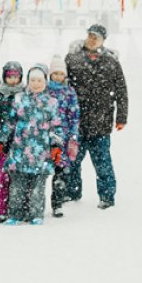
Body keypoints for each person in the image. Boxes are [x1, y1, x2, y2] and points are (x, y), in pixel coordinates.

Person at [64, 24, 128, 209]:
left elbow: (121, 90)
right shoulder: (73, 58)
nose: (92, 39)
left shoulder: (111, 62)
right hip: (76, 122)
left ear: (103, 41)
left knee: (103, 164)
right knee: (73, 161)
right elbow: (61, 84)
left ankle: (107, 197)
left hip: (101, 122)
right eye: (90, 35)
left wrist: (122, 117)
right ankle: (71, 192)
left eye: (96, 37)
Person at [0, 64, 65, 225]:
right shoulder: (19, 99)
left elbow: (57, 126)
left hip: (41, 151)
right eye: (33, 80)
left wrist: (56, 145)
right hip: (20, 150)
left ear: (45, 82)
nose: (36, 83)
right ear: (28, 81)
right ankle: (15, 214)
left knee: (37, 187)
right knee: (17, 186)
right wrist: (1, 139)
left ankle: (36, 214)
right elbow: (10, 122)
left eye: (39, 80)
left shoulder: (51, 102)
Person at [0, 61, 24, 223]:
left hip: (20, 139)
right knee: (2, 172)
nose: (13, 80)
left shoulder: (24, 94)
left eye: (16, 76)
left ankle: (16, 203)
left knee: (18, 173)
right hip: (2, 138)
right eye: (10, 76)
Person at [48, 55, 80, 218]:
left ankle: (57, 203)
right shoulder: (45, 90)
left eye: (61, 74)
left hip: (65, 136)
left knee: (61, 170)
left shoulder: (69, 92)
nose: (58, 77)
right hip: (45, 136)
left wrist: (73, 134)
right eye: (55, 74)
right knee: (41, 170)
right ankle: (34, 201)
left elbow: (74, 115)